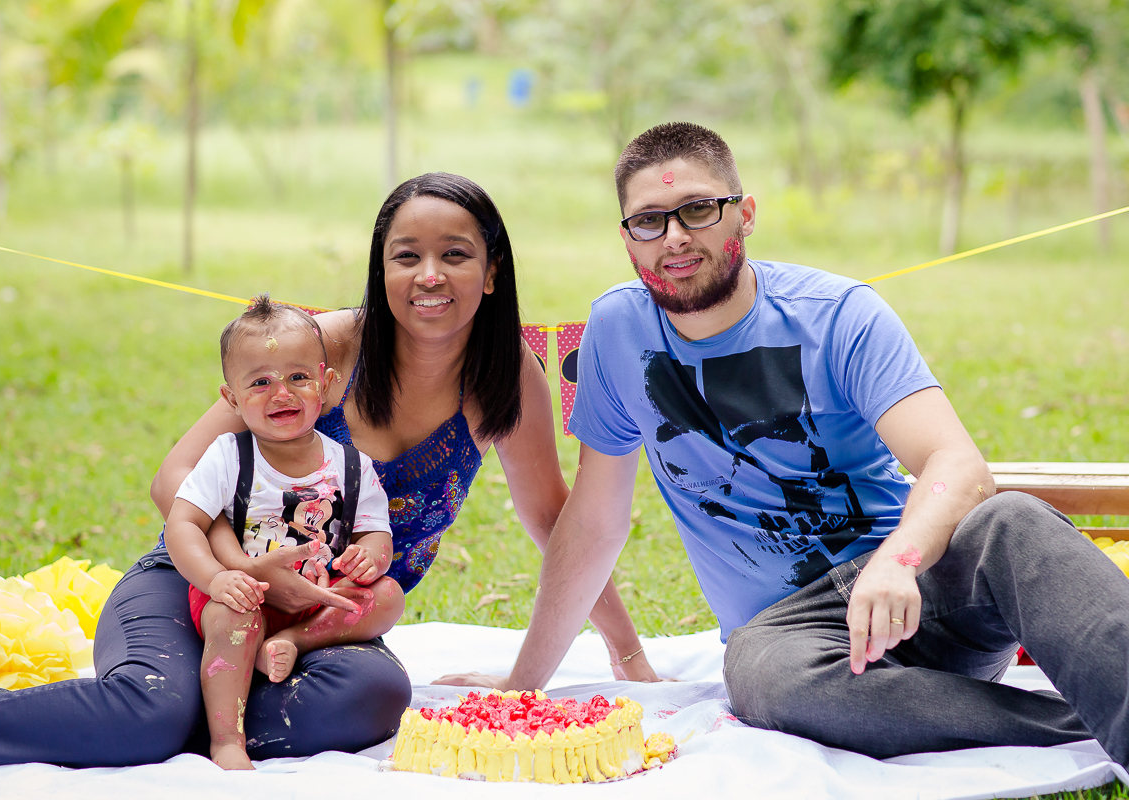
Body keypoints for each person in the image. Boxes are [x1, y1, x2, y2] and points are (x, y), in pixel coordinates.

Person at [439, 122, 1129, 765]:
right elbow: (591, 523)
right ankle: (1075, 729)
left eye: (699, 210)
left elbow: (956, 464)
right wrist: (522, 683)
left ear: (746, 212)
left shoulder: (840, 315)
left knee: (1014, 521)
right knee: (762, 681)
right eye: (650, 221)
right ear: (628, 239)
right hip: (792, 638)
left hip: (920, 588)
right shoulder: (617, 333)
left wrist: (898, 562)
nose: (674, 237)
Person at [0, 172, 655, 770]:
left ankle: (200, 716)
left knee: (371, 698)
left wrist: (625, 652)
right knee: (153, 704)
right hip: (200, 589)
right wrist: (239, 571)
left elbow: (559, 524)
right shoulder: (323, 351)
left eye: (456, 255)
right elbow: (172, 479)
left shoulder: (508, 380)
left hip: (323, 625)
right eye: (406, 256)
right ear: (382, 268)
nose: (429, 275)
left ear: (493, 271)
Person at [166, 296, 402, 769]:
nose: (282, 393)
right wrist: (215, 580)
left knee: (389, 594)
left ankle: (293, 641)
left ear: (326, 384)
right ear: (231, 399)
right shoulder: (229, 456)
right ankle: (227, 740)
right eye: (260, 383)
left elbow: (376, 534)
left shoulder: (352, 466)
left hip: (316, 600)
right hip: (241, 591)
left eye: (298, 378)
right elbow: (182, 523)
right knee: (235, 624)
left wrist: (369, 558)